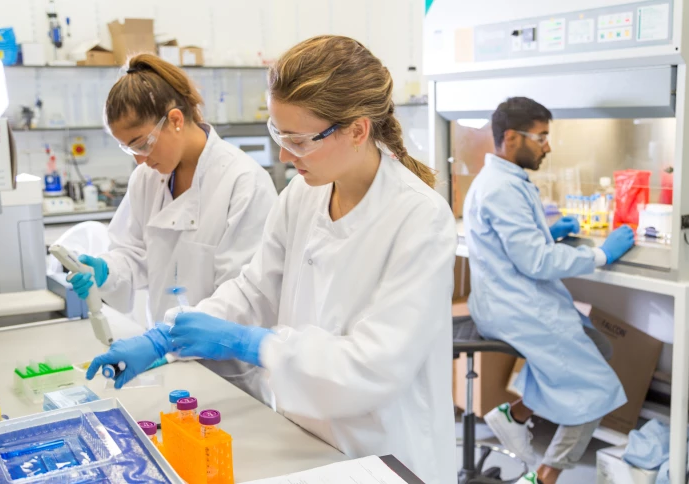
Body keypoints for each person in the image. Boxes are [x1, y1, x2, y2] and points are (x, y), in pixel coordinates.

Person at [86, 36, 458, 483]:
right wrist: (168, 335)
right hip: (305, 440)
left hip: (386, 453)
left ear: (358, 131)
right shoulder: (302, 194)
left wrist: (254, 344)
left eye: (298, 140)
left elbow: (372, 367)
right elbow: (253, 288)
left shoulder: (420, 218)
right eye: (278, 135)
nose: (283, 155)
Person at [69, 54, 277, 396]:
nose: (140, 159)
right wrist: (106, 270)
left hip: (228, 375)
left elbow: (242, 295)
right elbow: (134, 252)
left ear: (176, 120)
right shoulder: (146, 178)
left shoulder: (243, 181)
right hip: (163, 360)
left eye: (142, 143)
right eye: (128, 150)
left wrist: (165, 338)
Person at [463, 97, 636, 484]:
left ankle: (516, 415)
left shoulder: (502, 180)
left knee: (598, 348)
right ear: (511, 137)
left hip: (511, 300)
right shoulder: (501, 189)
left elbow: (515, 246)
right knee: (597, 387)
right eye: (541, 137)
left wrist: (549, 233)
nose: (548, 147)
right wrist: (600, 255)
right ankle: (544, 477)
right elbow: (536, 262)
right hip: (516, 308)